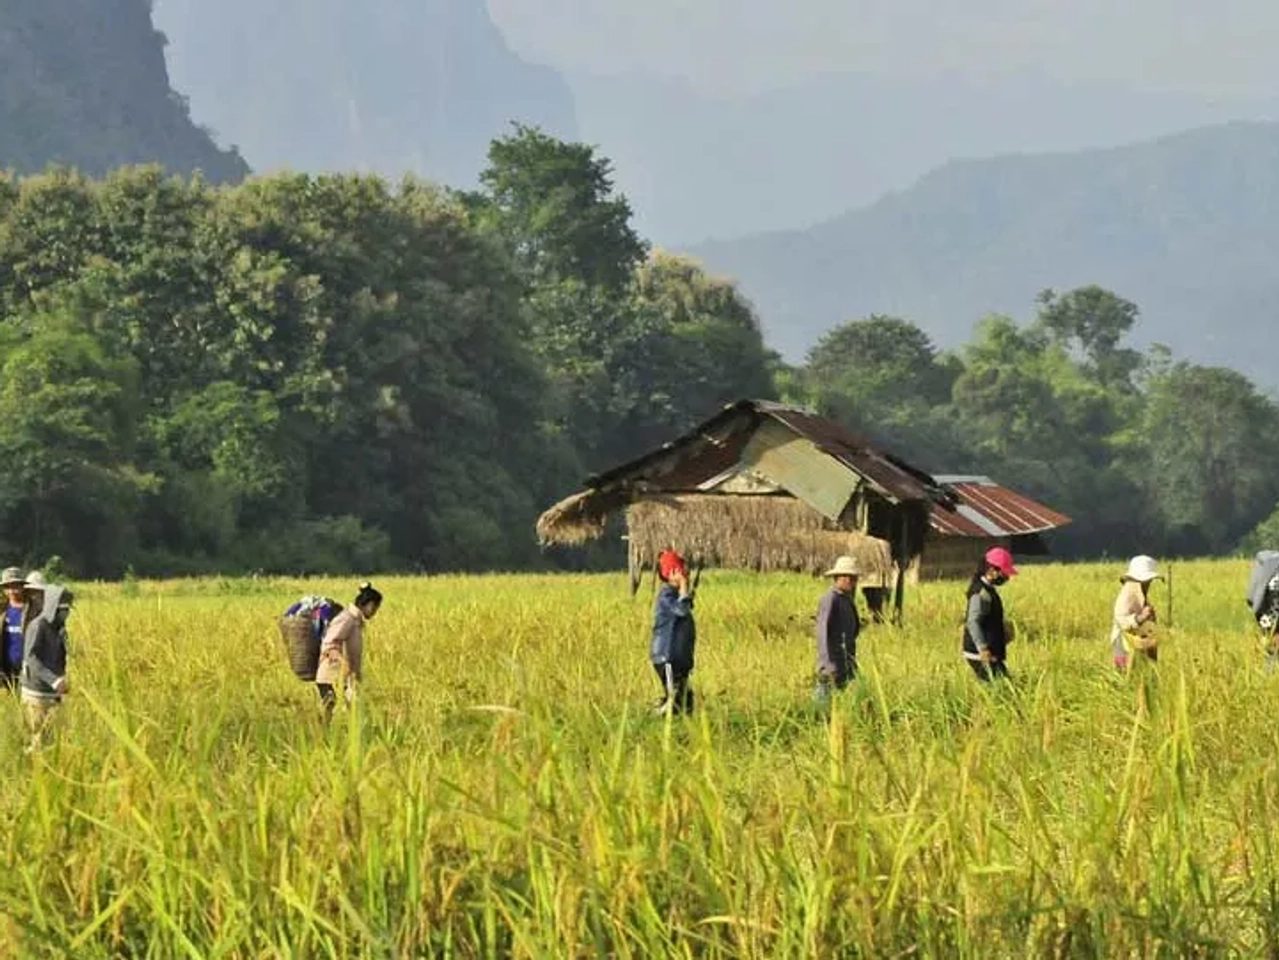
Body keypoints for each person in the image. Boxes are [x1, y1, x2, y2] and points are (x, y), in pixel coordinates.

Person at [314, 582, 382, 721]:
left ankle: (336, 737)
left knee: (354, 710)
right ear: (367, 604)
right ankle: (322, 736)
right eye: (374, 608)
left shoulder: (355, 622)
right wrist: (343, 661)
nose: (375, 612)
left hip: (344, 677)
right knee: (329, 706)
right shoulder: (347, 619)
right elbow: (329, 643)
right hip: (330, 674)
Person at [19, 580, 70, 754]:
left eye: (67, 609)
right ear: (51, 607)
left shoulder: (60, 628)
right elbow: (31, 658)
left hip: (54, 691)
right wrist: (53, 680)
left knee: (51, 738)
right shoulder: (37, 626)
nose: (65, 612)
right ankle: (33, 773)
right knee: (37, 737)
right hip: (37, 691)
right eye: (61, 609)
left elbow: (63, 655)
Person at [650, 549, 696, 715]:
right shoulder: (666, 596)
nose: (686, 576)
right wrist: (683, 586)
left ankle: (685, 730)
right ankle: (656, 715)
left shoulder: (676, 596)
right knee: (675, 699)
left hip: (679, 660)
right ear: (672, 573)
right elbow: (682, 610)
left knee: (688, 700)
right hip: (668, 658)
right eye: (683, 572)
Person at [961, 547, 1018, 681]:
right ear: (992, 570)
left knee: (1003, 685)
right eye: (1004, 574)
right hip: (981, 654)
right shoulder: (981, 593)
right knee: (1001, 688)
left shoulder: (988, 590)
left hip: (988, 652)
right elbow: (973, 622)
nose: (1007, 577)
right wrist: (983, 648)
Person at [814, 555, 861, 703]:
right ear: (839, 577)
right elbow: (822, 633)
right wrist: (828, 664)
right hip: (831, 664)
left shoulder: (846, 600)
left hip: (845, 662)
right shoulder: (830, 599)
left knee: (841, 704)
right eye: (849, 577)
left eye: (854, 578)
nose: (852, 582)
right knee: (823, 702)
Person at [1112, 555, 1163, 672]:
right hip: (1123, 644)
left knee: (1142, 676)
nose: (1150, 582)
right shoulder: (1127, 593)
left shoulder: (1139, 591)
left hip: (1137, 643)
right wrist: (1140, 618)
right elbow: (1121, 620)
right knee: (1123, 675)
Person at [1247, 550, 1279, 669]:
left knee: (1269, 639)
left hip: (1265, 605)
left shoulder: (1267, 564)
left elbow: (1251, 597)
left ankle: (1270, 670)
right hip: (1270, 602)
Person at [0, 567, 29, 690]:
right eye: (9, 587)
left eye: (16, 586)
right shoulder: (2, 611)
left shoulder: (31, 610)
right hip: (6, 666)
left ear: (22, 587)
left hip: (28, 666)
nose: (13, 590)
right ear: (4, 590)